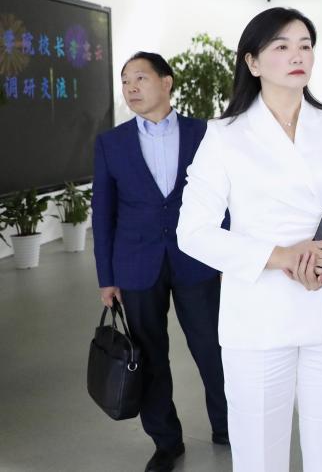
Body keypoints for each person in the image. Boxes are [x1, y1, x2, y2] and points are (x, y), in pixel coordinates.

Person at [176, 8, 322, 472]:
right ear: (252, 62)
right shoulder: (224, 135)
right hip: (259, 315)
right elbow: (192, 232)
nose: (298, 55)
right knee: (258, 452)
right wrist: (281, 257)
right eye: (282, 46)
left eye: (306, 45)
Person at [91, 52, 228, 472]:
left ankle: (228, 426)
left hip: (197, 260)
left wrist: (229, 254)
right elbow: (103, 213)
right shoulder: (111, 143)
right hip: (136, 263)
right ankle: (166, 442)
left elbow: (226, 197)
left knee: (213, 348)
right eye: (125, 81)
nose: (130, 88)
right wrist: (106, 277)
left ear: (166, 82)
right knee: (148, 355)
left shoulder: (204, 133)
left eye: (140, 78)